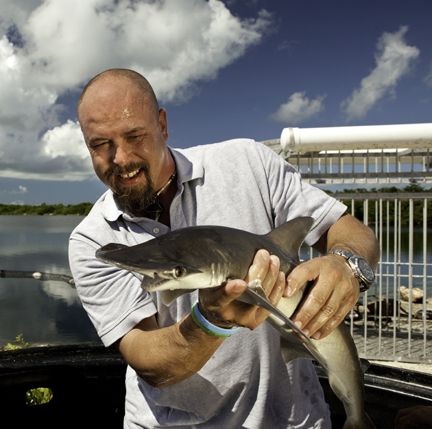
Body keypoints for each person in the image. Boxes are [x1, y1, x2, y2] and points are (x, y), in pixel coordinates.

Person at [69, 68, 379, 429]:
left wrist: (346, 266)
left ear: (163, 125)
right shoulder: (92, 240)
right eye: (100, 145)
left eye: (134, 136)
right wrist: (210, 321)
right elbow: (147, 357)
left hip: (293, 417)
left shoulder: (248, 164)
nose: (120, 159)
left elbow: (353, 232)